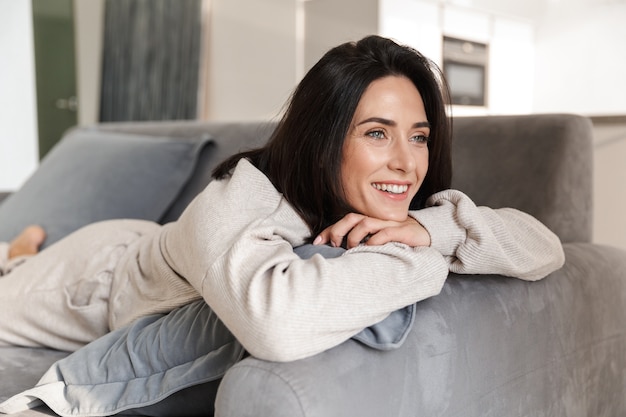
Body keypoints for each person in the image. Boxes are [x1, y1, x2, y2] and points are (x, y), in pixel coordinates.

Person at [0, 35, 565, 363]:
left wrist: (433, 229)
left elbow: (545, 247)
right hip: (87, 279)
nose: (407, 161)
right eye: (376, 132)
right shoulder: (234, 200)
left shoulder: (398, 213)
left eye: (418, 135)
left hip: (147, 244)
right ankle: (19, 251)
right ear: (324, 137)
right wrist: (424, 258)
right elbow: (280, 326)